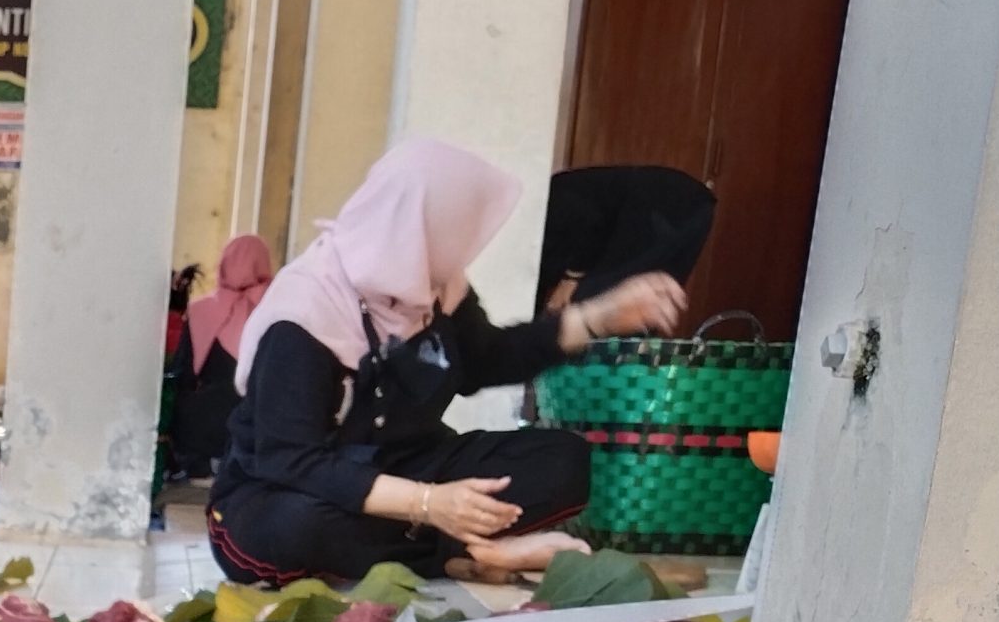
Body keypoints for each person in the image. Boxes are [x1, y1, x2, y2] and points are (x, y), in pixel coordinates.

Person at [206, 138, 685, 586]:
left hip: (407, 465)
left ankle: (447, 546)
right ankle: (462, 554)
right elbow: (292, 461)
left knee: (563, 461)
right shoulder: (305, 316)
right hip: (283, 488)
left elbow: (488, 360)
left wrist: (595, 318)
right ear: (418, 225)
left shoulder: (435, 289)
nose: (467, 244)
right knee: (299, 528)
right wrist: (429, 503)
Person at [535, 164, 715, 315]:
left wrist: (570, 280)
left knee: (597, 303)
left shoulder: (549, 197)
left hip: (663, 203)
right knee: (651, 301)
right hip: (696, 205)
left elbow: (591, 222)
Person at [168, 233, 273, 479]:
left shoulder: (200, 310)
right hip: (257, 431)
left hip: (202, 431)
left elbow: (183, 375)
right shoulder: (277, 310)